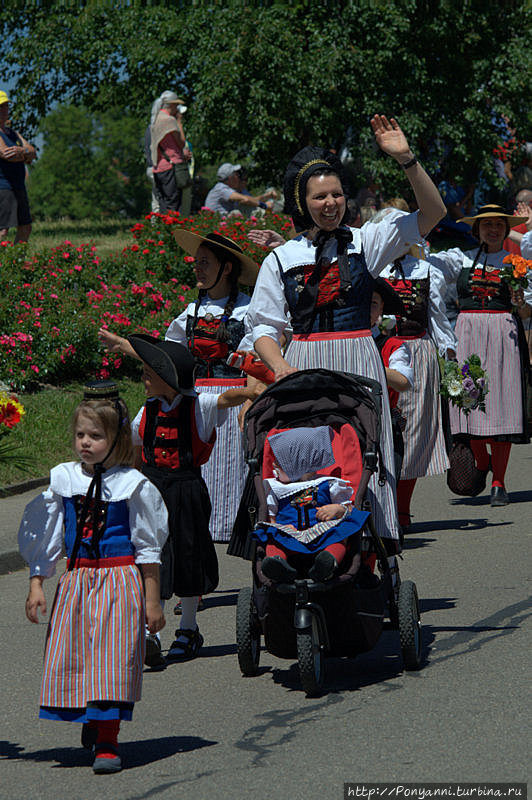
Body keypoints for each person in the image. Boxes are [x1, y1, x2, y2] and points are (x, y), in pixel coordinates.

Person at [242, 114, 446, 549]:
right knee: (315, 464)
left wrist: (406, 159)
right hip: (303, 366)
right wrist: (281, 369)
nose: (330, 202)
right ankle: (307, 544)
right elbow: (263, 326)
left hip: (359, 360)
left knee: (364, 453)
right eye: (320, 196)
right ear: (303, 202)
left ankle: (370, 555)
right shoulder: (282, 258)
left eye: (336, 193)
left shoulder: (367, 241)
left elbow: (433, 212)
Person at [18, 381, 169, 774]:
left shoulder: (132, 486)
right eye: (80, 435)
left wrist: (152, 601)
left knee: (113, 661)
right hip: (77, 581)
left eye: (96, 435)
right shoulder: (64, 480)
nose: (85, 442)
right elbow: (48, 536)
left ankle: (108, 739)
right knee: (77, 656)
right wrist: (37, 583)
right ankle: (93, 719)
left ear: (117, 438)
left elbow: (148, 550)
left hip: (119, 582)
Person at [98, 231, 260, 544]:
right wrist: (123, 344)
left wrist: (252, 400)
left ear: (226, 268)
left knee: (233, 478)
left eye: (204, 262)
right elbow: (165, 360)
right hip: (194, 404)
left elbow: (258, 361)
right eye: (196, 262)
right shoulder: (190, 313)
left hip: (233, 401)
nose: (196, 267)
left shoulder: (249, 311)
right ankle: (193, 570)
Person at [128, 335, 258, 662]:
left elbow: (226, 398)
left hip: (186, 489)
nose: (143, 378)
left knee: (187, 555)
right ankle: (151, 631)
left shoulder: (197, 405)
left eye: (147, 373)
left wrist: (251, 391)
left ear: (167, 379)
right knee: (152, 555)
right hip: (152, 490)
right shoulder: (146, 411)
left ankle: (188, 627)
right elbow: (133, 452)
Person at [427, 204, 532, 506]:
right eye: (487, 224)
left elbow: (525, 311)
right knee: (465, 403)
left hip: (503, 335)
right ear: (477, 229)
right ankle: (480, 460)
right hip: (467, 336)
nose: (493, 229)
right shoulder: (459, 259)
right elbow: (427, 264)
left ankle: (498, 481)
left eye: (499, 224)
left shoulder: (516, 265)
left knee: (502, 406)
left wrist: (519, 300)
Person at [376, 209, 456, 531]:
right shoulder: (375, 269)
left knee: (412, 432)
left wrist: (450, 360)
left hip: (419, 353)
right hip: (382, 352)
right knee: (383, 429)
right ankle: (385, 505)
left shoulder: (425, 270)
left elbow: (437, 317)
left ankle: (402, 509)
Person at [254, 426, 370, 583]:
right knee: (273, 538)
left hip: (321, 531)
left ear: (300, 464)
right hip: (290, 533)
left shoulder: (327, 484)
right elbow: (271, 517)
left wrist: (338, 509)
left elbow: (349, 507)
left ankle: (327, 563)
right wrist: (278, 526)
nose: (273, 464)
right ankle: (277, 563)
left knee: (341, 535)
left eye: (280, 462)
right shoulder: (276, 488)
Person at [0, 89, 36, 243]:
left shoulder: (13, 133)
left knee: (25, 227)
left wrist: (23, 151)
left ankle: (16, 263)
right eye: (1, 106)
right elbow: (7, 154)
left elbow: (33, 152)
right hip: (3, 186)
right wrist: (25, 154)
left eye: (6, 106)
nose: (5, 110)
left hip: (18, 185)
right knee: (2, 230)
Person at [150, 91, 191, 212]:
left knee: (163, 201)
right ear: (171, 105)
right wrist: (179, 122)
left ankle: (162, 228)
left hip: (158, 166)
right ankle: (172, 229)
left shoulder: (156, 119)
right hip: (171, 166)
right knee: (173, 202)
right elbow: (182, 142)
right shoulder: (169, 121)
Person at [204, 162, 277, 216]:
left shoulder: (224, 188)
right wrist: (265, 206)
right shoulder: (221, 188)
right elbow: (245, 199)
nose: (239, 177)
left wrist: (266, 196)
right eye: (237, 174)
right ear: (230, 177)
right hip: (218, 223)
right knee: (238, 213)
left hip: (221, 221)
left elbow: (251, 199)